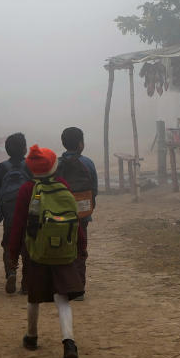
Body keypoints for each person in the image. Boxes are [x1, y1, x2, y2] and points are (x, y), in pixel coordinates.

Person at [8, 145, 86, 358]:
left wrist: (13, 253)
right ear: (53, 167)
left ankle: (31, 336)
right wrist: (81, 246)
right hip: (63, 250)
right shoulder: (63, 186)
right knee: (62, 298)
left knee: (34, 296)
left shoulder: (26, 190)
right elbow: (75, 220)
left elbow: (18, 225)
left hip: (36, 252)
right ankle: (68, 341)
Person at [57, 127, 98, 301]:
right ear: (81, 144)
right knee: (80, 248)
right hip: (81, 214)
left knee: (62, 249)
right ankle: (79, 288)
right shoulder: (87, 163)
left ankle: (64, 286)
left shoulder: (57, 163)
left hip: (60, 216)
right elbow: (94, 189)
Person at [0, 132, 30, 294]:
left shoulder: (1, 168)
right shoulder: (30, 166)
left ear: (7, 150)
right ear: (25, 149)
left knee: (9, 244)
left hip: (9, 214)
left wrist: (0, 208)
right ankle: (26, 283)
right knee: (29, 248)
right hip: (28, 213)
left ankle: (11, 272)